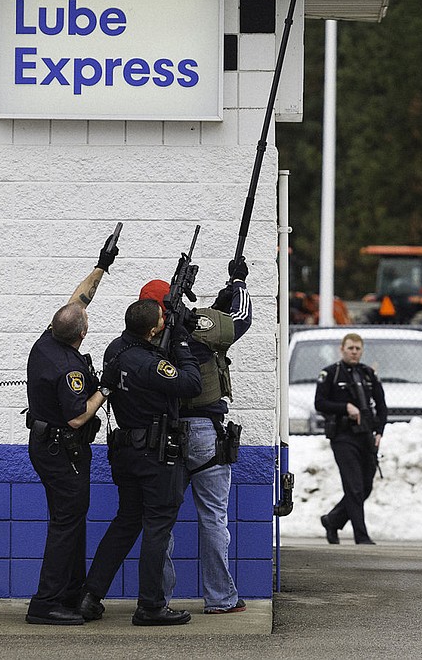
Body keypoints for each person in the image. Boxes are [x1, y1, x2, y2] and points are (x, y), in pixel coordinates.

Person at [79, 298, 201, 627]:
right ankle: (150, 605)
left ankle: (90, 594)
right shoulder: (150, 364)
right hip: (155, 454)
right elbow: (192, 383)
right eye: (162, 320)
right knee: (157, 527)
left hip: (126, 452)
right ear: (152, 331)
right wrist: (181, 342)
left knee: (126, 522)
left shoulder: (115, 349)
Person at [148, 256, 253, 615]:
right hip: (206, 432)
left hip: (164, 435)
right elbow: (240, 320)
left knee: (163, 522)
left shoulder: (142, 338)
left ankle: (158, 600)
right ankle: (221, 598)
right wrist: (238, 282)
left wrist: (215, 303)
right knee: (213, 518)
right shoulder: (195, 330)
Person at [24, 232, 119, 626]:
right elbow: (78, 416)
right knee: (66, 526)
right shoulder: (67, 369)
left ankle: (70, 593)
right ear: (81, 335)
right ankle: (45, 603)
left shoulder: (46, 339)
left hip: (49, 446)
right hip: (62, 450)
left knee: (71, 522)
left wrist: (102, 266)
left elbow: (78, 299)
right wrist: (106, 387)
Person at [315, 332, 386, 546]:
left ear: (361, 350)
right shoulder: (331, 374)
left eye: (357, 348)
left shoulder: (367, 375)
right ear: (342, 349)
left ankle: (332, 520)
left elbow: (381, 405)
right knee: (354, 487)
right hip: (343, 437)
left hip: (366, 436)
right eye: (350, 348)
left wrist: (379, 431)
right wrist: (344, 408)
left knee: (365, 487)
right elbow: (320, 403)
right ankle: (361, 537)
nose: (354, 352)